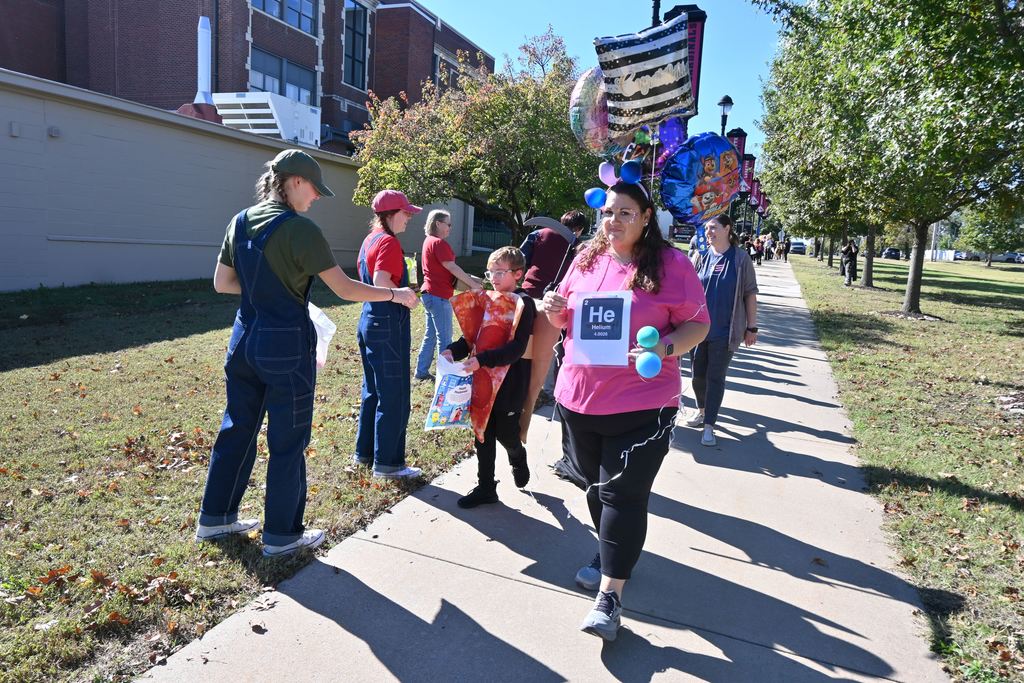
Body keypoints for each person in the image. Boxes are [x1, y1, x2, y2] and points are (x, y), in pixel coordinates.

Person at [196, 149, 418, 557]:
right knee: (288, 438)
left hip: (243, 339)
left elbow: (222, 283)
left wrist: (268, 289)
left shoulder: (239, 221)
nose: (316, 197)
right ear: (295, 181)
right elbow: (346, 289)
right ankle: (282, 535)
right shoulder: (302, 230)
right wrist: (396, 294)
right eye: (315, 189)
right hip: (286, 345)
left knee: (236, 429)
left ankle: (216, 518)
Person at [542, 181, 710, 641]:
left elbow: (699, 323)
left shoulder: (672, 264)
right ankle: (610, 550)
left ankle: (610, 597)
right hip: (581, 398)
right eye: (608, 212)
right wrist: (554, 309)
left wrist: (667, 347)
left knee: (622, 495)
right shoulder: (585, 259)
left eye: (626, 213)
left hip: (643, 402)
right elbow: (564, 318)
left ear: (646, 217)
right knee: (596, 489)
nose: (613, 221)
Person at [443, 246, 536, 508]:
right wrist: (453, 349)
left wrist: (482, 360)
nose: (493, 277)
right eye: (490, 271)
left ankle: (517, 456)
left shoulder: (522, 303)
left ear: (517, 274)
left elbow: (517, 349)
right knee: (482, 433)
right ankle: (486, 487)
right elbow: (471, 336)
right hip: (482, 378)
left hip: (510, 382)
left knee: (507, 434)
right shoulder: (487, 299)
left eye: (500, 272)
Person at [353, 189, 424, 479]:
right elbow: (383, 283)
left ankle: (365, 454)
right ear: (390, 215)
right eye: (405, 213)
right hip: (387, 324)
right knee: (394, 394)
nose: (408, 218)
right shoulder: (389, 243)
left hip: (368, 321)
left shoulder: (369, 239)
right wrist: (405, 296)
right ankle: (389, 464)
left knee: (373, 390)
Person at [685, 215, 759, 447]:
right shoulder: (701, 256)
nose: (709, 232)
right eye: (707, 228)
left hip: (725, 331)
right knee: (697, 375)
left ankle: (709, 425)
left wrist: (751, 327)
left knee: (715, 377)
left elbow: (750, 293)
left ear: (727, 229)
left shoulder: (740, 258)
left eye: (714, 228)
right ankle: (701, 410)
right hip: (696, 329)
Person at [518, 211, 589, 441]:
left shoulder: (538, 234)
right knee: (550, 346)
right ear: (577, 228)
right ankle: (543, 389)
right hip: (555, 302)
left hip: (529, 295)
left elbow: (520, 261)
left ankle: (528, 387)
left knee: (525, 341)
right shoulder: (576, 245)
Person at [414, 209, 483, 381]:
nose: (450, 228)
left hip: (429, 294)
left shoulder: (428, 241)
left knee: (430, 335)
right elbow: (452, 267)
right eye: (448, 224)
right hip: (438, 295)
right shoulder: (438, 243)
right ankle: (445, 376)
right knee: (445, 338)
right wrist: (474, 284)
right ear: (438, 223)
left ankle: (421, 371)